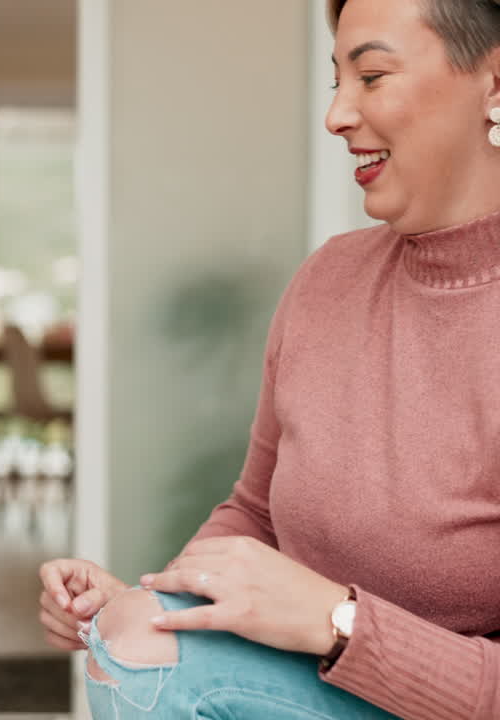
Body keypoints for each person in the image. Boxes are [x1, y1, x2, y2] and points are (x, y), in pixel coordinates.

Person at [38, 0, 500, 717]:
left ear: (495, 82)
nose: (337, 115)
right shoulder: (328, 281)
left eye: (372, 76)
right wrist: (149, 601)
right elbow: (256, 511)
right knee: (137, 640)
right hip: (319, 686)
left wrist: (338, 622)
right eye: (336, 80)